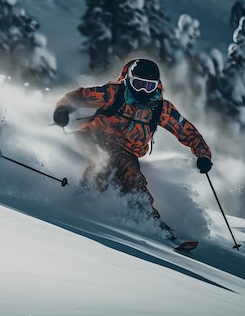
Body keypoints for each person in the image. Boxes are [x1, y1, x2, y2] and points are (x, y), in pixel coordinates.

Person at [53, 59, 212, 234]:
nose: (143, 90)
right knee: (108, 162)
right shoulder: (114, 93)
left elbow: (189, 133)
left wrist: (203, 155)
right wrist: (63, 109)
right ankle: (83, 200)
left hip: (126, 152)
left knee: (129, 174)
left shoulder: (160, 108)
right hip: (92, 137)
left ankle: (146, 216)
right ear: (129, 80)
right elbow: (79, 96)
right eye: (138, 84)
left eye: (149, 86)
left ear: (157, 86)